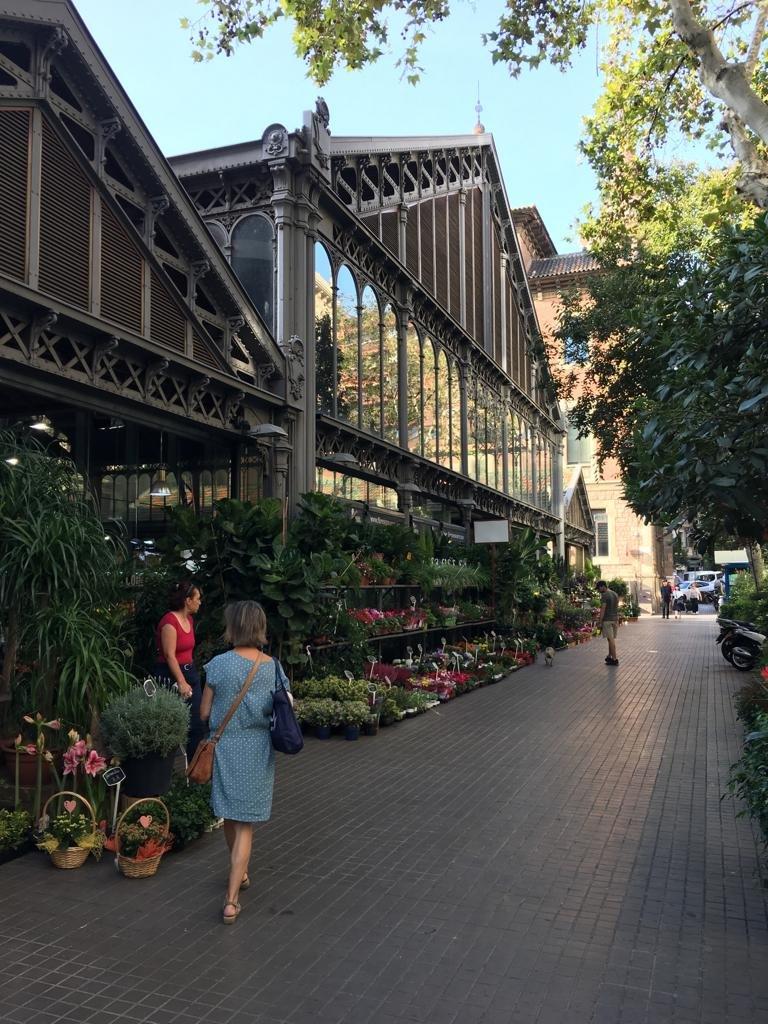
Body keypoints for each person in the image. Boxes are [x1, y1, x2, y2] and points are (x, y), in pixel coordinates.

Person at [200, 600, 293, 925]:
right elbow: (285, 707)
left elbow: (204, 713)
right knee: (245, 825)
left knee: (230, 814)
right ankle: (231, 899)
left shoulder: (216, 665)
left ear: (233, 627)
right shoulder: (272, 667)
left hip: (225, 747)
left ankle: (240, 875)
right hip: (257, 749)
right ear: (260, 627)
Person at [154, 581, 205, 761]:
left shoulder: (189, 620)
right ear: (187, 600)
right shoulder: (169, 622)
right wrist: (181, 681)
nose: (200, 602)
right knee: (170, 723)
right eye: (197, 598)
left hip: (189, 671)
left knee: (197, 723)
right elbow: (169, 655)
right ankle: (164, 769)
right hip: (171, 674)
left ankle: (195, 769)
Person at [596, 580, 619, 666]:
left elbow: (603, 609)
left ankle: (615, 659)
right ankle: (609, 656)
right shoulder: (615, 594)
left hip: (607, 620)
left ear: (602, 586)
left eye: (598, 588)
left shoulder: (605, 595)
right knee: (610, 639)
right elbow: (616, 607)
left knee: (611, 640)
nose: (598, 590)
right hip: (615, 619)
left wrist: (600, 621)